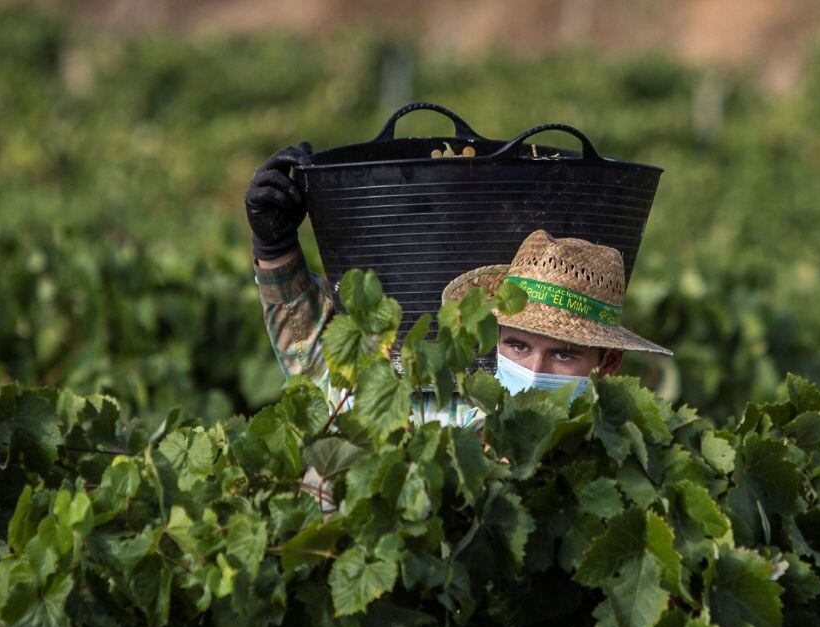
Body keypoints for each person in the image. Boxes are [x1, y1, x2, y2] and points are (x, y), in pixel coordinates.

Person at [245, 147, 672, 505]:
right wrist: (275, 246)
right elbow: (322, 370)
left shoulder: (622, 465)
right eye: (519, 346)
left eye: (564, 354)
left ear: (608, 364)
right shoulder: (444, 416)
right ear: (495, 339)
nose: (535, 369)